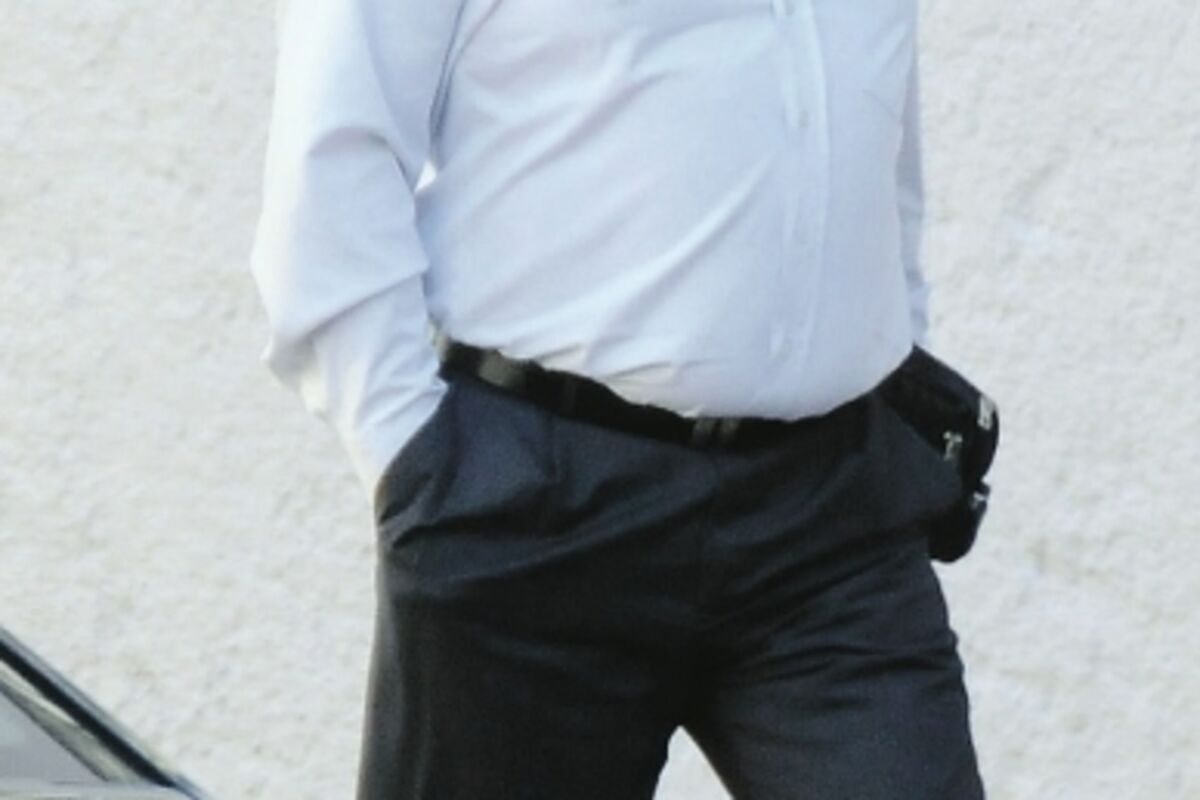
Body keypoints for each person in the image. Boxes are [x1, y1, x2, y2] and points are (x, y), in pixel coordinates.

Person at [249, 0, 986, 797]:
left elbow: (878, 149)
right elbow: (334, 149)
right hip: (537, 507)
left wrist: (888, 359)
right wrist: (415, 460)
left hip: (832, 519)